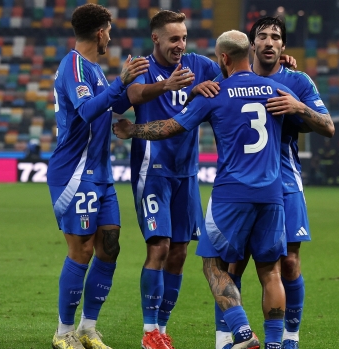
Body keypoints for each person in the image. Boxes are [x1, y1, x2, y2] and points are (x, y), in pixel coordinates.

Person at [114, 29, 300, 349]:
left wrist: (133, 130)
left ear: (224, 59)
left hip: (232, 192)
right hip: (273, 194)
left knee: (213, 264)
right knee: (270, 272)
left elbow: (171, 127)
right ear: (249, 54)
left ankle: (242, 332)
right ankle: (275, 344)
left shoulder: (216, 93)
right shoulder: (277, 89)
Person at [216, 16, 335, 349]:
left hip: (284, 179)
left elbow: (328, 126)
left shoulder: (297, 81)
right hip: (241, 181)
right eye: (263, 36)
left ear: (283, 47)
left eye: (276, 37)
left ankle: (289, 338)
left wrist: (298, 107)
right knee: (231, 262)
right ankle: (226, 337)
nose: (269, 42)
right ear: (252, 44)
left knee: (289, 262)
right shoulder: (232, 75)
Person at [47, 4, 149, 349]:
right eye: (109, 30)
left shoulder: (93, 69)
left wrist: (130, 84)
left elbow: (110, 104)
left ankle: (88, 328)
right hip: (75, 172)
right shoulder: (73, 65)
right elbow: (89, 110)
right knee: (83, 250)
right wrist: (121, 80)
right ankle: (63, 332)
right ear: (100, 32)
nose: (111, 36)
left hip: (100, 172)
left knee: (109, 245)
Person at [124, 10, 220, 349]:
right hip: (153, 171)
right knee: (159, 246)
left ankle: (162, 330)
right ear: (156, 39)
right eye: (173, 39)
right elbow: (133, 96)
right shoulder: (141, 65)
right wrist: (167, 85)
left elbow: (237, 75)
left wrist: (280, 65)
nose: (180, 45)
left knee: (179, 252)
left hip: (187, 173)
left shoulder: (201, 65)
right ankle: (149, 331)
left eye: (183, 38)